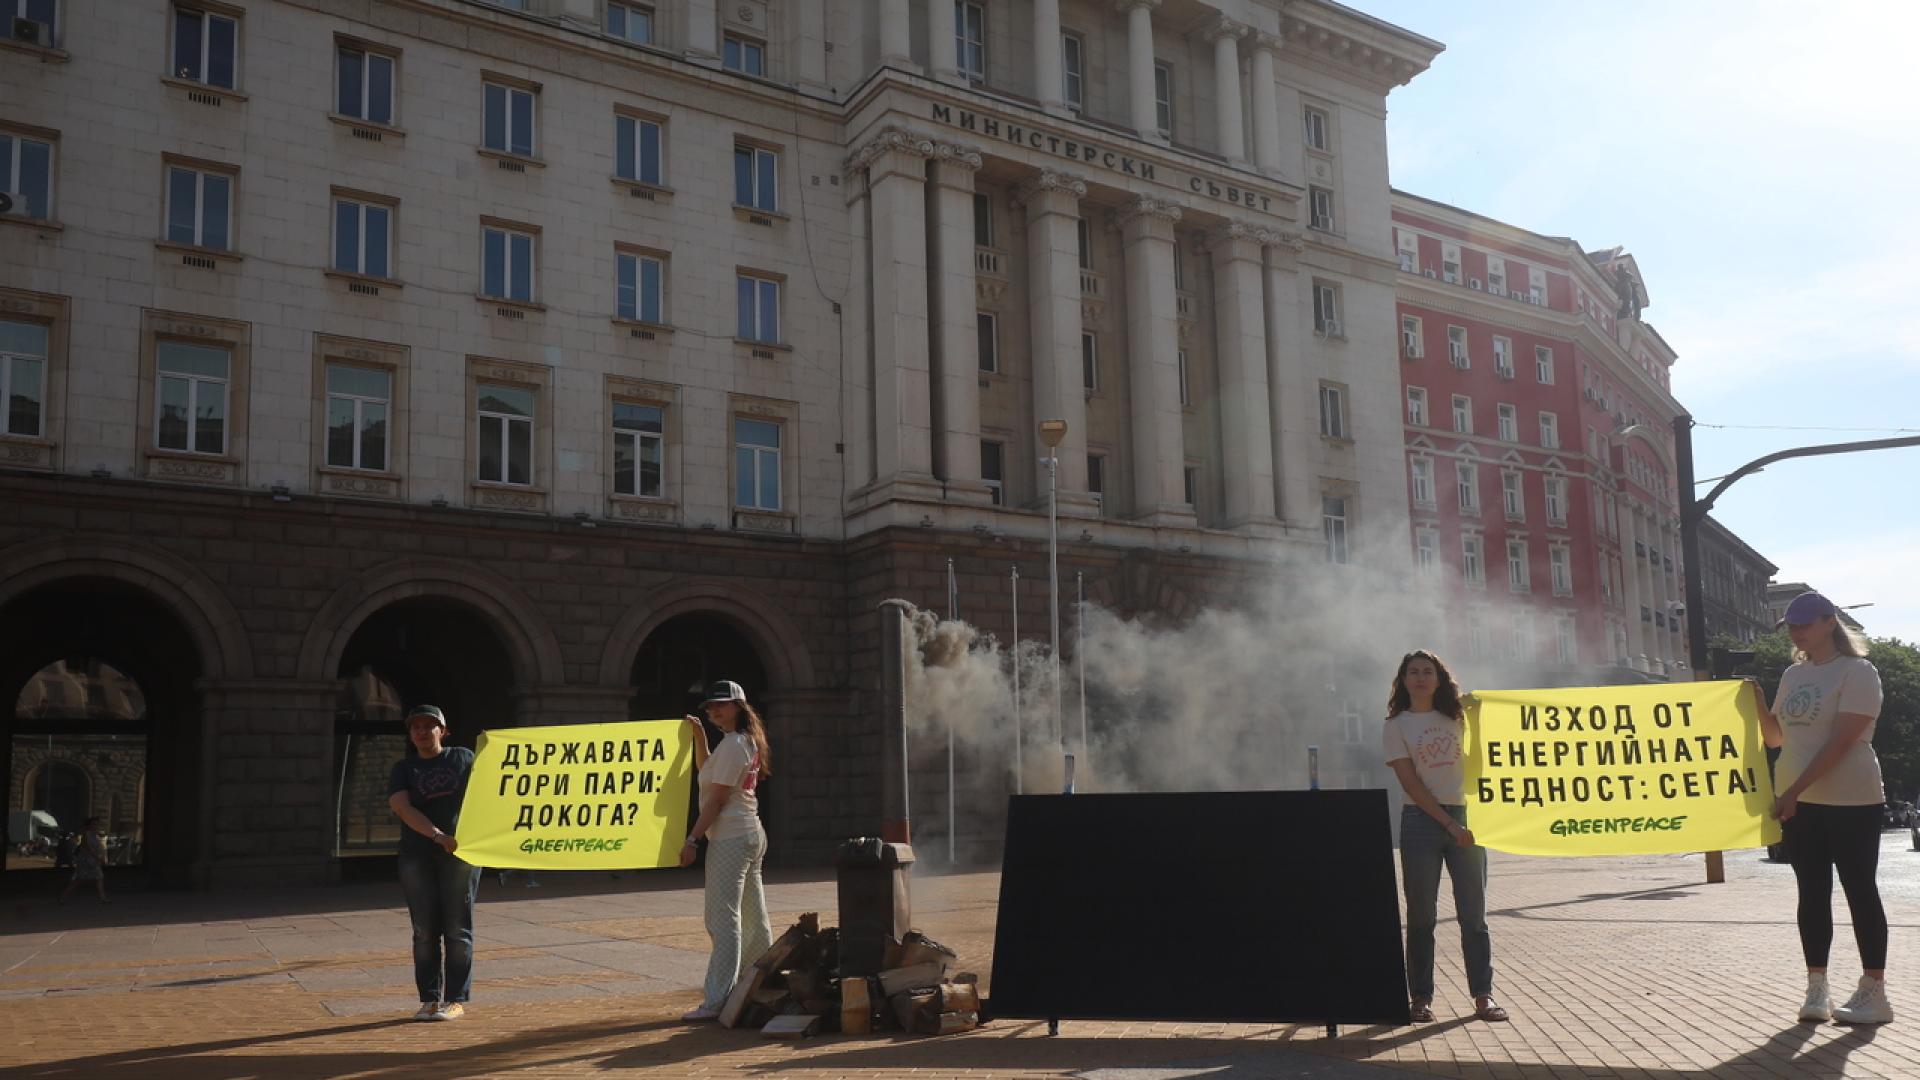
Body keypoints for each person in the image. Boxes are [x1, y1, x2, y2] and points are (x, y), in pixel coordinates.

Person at [1752, 591, 1892, 1025]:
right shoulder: (1793, 675)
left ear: (1830, 622)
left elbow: (1842, 742)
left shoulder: (1858, 672)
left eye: (1805, 623)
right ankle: (1817, 988)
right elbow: (1776, 739)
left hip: (1852, 799)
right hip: (1801, 801)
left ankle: (1874, 992)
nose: (1796, 631)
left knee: (1859, 890)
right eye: (1791, 625)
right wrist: (1756, 699)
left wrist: (1792, 791)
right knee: (1811, 894)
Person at [1382, 649, 1507, 1024]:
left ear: (1439, 679)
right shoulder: (1396, 725)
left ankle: (1483, 996)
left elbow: (1480, 765)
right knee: (1421, 915)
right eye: (1414, 672)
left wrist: (1479, 720)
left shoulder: (1458, 719)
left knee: (1474, 915)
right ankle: (1420, 999)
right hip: (1421, 822)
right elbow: (1411, 783)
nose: (1421, 677)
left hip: (1467, 817)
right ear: (1404, 681)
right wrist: (1449, 825)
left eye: (1428, 671)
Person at [678, 679, 773, 1022]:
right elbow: (708, 773)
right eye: (710, 706)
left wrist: (692, 840)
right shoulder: (740, 742)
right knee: (752, 915)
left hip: (731, 838)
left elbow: (716, 800)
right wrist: (701, 738)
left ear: (738, 705)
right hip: (749, 834)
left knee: (723, 919)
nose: (714, 710)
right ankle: (757, 983)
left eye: (721, 704)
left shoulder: (734, 744)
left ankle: (717, 999)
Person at [386, 704, 480, 1022]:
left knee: (457, 929)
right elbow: (401, 807)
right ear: (411, 734)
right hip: (418, 856)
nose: (422, 732)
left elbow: (490, 793)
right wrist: (438, 835)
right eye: (416, 727)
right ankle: (428, 999)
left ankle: (454, 1000)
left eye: (430, 726)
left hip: (460, 856)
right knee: (424, 931)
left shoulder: (464, 758)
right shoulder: (404, 768)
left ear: (444, 730)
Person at [58, 818, 107, 904]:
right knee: (79, 880)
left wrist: (101, 857)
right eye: (94, 824)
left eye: (97, 824)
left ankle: (103, 898)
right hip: (85, 861)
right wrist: (98, 857)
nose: (96, 826)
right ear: (89, 825)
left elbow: (100, 848)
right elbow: (88, 848)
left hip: (94, 862)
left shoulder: (96, 835)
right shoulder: (87, 834)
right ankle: (63, 896)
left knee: (99, 878)